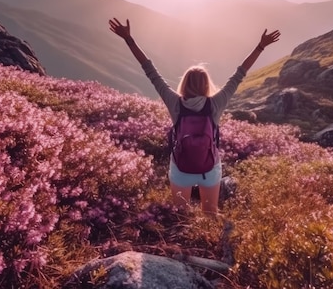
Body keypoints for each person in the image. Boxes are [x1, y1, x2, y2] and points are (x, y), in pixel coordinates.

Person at [109, 18, 280, 214]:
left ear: (185, 83)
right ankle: (207, 242)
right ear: (206, 84)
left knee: (181, 216)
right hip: (209, 168)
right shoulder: (216, 102)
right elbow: (240, 73)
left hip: (181, 168)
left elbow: (150, 70)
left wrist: (129, 40)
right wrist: (260, 46)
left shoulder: (174, 103)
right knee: (210, 214)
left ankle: (184, 241)